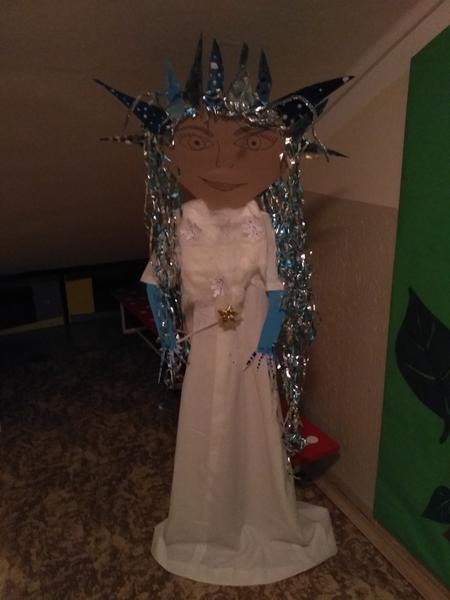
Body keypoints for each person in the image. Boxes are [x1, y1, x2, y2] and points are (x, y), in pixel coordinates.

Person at [96, 38, 350, 585]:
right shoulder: (181, 222)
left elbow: (278, 290)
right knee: (205, 426)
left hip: (251, 345)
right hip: (206, 343)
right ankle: (208, 522)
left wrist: (267, 343)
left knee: (252, 426)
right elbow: (157, 283)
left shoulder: (260, 223)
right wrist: (170, 336)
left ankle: (257, 512)